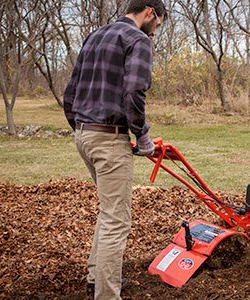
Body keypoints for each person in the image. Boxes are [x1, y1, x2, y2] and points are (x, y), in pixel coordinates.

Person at [63, 1, 166, 299]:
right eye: (157, 23)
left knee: (108, 213)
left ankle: (95, 281)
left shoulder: (95, 35)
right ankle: (107, 296)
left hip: (84, 134)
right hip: (108, 138)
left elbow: (70, 92)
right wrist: (142, 135)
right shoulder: (137, 40)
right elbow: (134, 90)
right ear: (149, 12)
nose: (155, 30)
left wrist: (82, 127)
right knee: (117, 220)